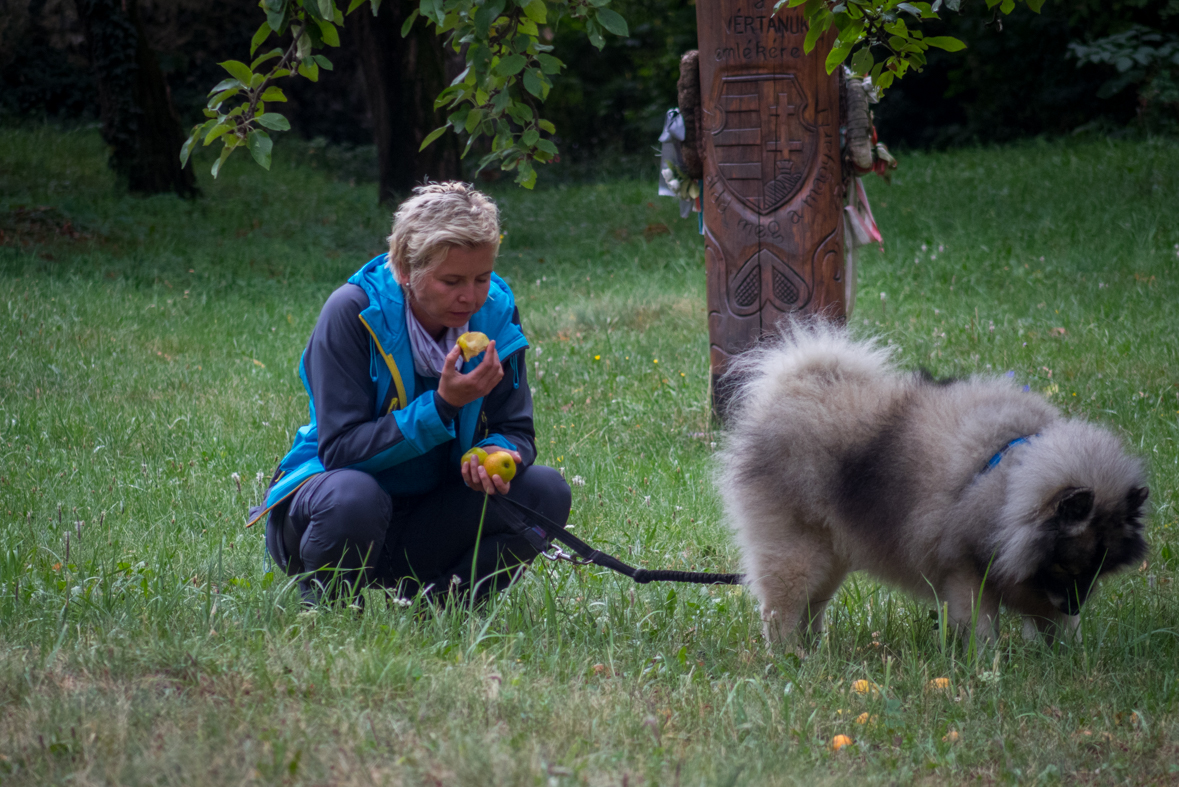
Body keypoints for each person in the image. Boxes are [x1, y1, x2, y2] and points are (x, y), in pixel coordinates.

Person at [249, 182, 571, 605]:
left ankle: (443, 608)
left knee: (547, 490)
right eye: (451, 280)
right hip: (333, 513)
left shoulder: (495, 313)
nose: (470, 297)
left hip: (429, 519)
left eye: (482, 277)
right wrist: (442, 406)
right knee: (353, 496)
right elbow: (340, 450)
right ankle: (329, 607)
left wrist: (499, 453)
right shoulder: (352, 312)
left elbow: (516, 429)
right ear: (404, 269)